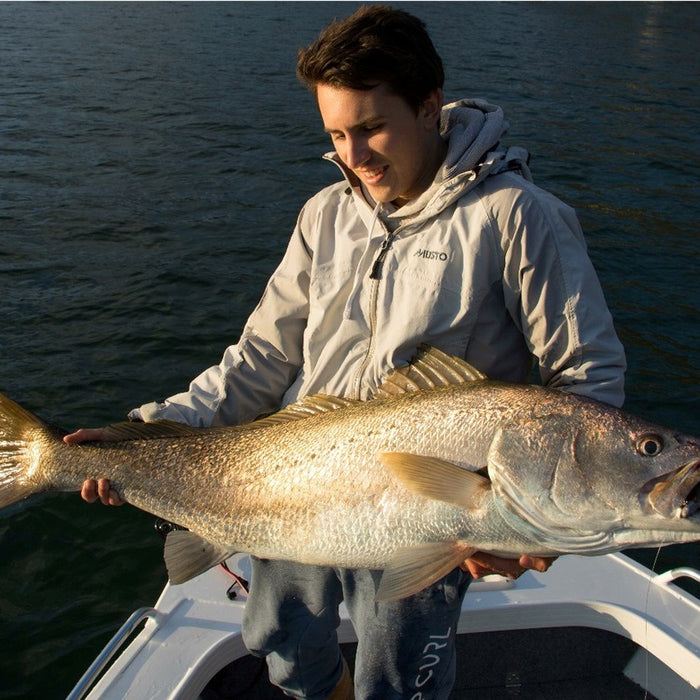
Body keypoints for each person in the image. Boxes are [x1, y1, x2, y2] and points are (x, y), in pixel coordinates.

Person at [66, 6, 626, 698]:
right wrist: (146, 434)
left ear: (428, 107)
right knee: (280, 640)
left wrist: (536, 529)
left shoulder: (518, 217)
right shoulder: (324, 214)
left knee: (397, 677)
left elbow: (587, 384)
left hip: (431, 513)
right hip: (297, 486)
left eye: (371, 128)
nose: (354, 157)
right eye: (336, 133)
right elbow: (260, 358)